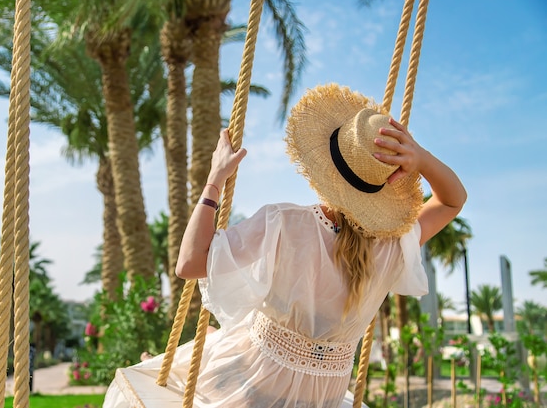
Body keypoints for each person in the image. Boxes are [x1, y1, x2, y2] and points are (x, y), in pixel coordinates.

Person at [102, 83, 467, 408]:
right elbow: (452, 200)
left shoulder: (284, 223)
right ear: (382, 185)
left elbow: (188, 264)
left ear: (326, 168)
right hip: (319, 397)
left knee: (184, 357)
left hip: (248, 389)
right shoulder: (394, 245)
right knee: (216, 339)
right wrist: (420, 158)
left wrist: (214, 180)